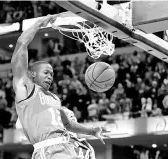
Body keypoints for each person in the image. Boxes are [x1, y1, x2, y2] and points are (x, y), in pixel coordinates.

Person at [11, 15, 108, 159]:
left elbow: (68, 124)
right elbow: (21, 44)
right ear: (32, 75)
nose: (50, 76)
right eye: (46, 72)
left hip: (65, 147)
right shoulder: (25, 88)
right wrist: (38, 24)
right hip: (46, 149)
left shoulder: (54, 98)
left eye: (52, 73)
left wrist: (92, 131)